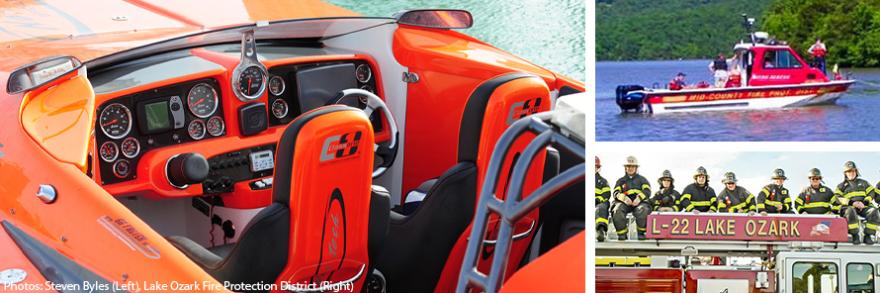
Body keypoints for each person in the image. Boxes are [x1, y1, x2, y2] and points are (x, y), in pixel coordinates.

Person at [835, 161, 880, 245]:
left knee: (874, 211)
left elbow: (871, 193)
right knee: (850, 211)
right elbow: (838, 198)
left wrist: (865, 202)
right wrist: (852, 203)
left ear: (856, 172)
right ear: (845, 173)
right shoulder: (841, 186)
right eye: (849, 171)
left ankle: (868, 235)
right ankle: (855, 235)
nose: (851, 173)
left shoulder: (864, 183)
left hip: (864, 206)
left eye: (853, 171)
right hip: (849, 207)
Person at [611, 156, 652, 241]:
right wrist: (623, 198)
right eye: (628, 166)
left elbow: (647, 191)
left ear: (636, 168)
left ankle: (641, 233)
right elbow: (615, 193)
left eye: (632, 166)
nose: (630, 168)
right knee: (617, 210)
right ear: (625, 168)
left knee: (643, 209)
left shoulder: (642, 180)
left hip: (639, 202)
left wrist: (639, 198)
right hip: (625, 203)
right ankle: (622, 234)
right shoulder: (620, 181)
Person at [595, 157, 611, 242]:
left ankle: (600, 230)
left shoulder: (603, 181)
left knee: (601, 208)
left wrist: (598, 199)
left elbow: (607, 194)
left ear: (598, 168)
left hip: (599, 203)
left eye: (594, 166)